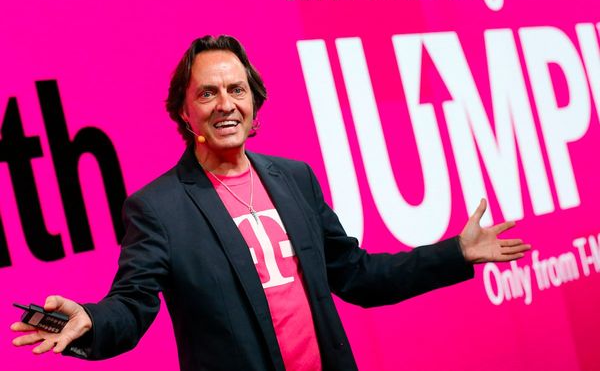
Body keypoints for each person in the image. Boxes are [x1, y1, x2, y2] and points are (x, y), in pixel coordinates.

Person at [11, 35, 531, 370]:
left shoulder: (295, 179)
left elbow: (358, 276)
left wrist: (455, 253)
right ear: (184, 112)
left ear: (254, 101)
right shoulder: (158, 209)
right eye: (207, 93)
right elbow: (132, 304)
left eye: (236, 90)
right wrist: (92, 321)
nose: (225, 104)